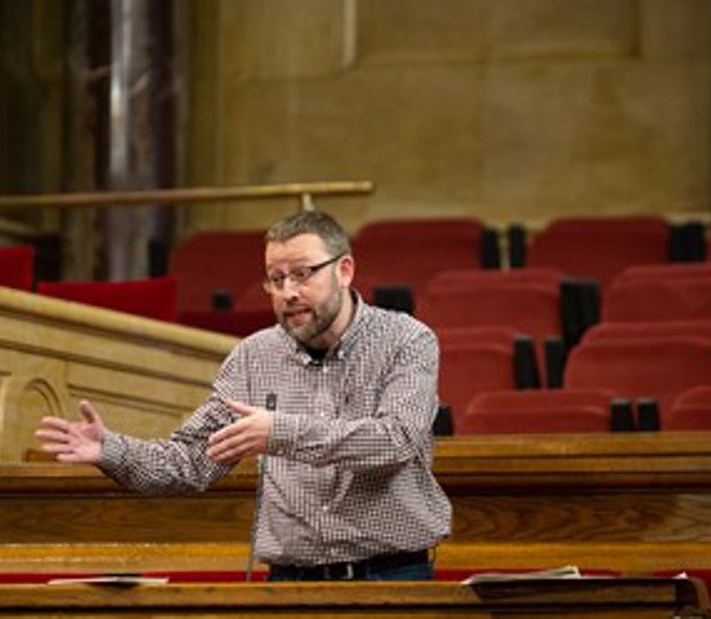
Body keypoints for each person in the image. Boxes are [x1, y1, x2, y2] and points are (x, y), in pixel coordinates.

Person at [35, 209, 451, 581]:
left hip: (392, 576)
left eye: (303, 274)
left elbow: (396, 441)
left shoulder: (406, 341)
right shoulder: (253, 357)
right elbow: (190, 462)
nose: (288, 292)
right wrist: (111, 450)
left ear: (344, 271)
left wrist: (280, 432)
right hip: (291, 584)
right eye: (276, 279)